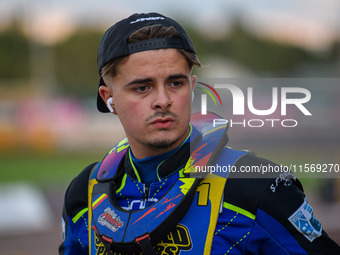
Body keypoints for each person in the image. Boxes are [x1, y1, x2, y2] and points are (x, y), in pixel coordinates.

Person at [59, 12, 340, 255]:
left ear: (192, 87)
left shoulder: (255, 184)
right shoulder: (82, 195)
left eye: (175, 83)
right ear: (109, 98)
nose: (163, 100)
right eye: (142, 87)